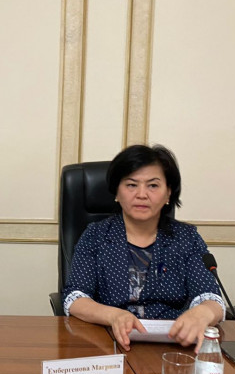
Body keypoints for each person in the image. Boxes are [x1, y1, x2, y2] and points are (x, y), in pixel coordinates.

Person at [62, 144, 225, 352]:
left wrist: (202, 314)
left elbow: (211, 298)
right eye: (131, 185)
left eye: (153, 186)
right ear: (116, 192)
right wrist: (113, 315)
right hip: (109, 345)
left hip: (175, 347)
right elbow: (75, 297)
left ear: (168, 194)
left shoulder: (186, 238)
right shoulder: (96, 236)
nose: (141, 194)